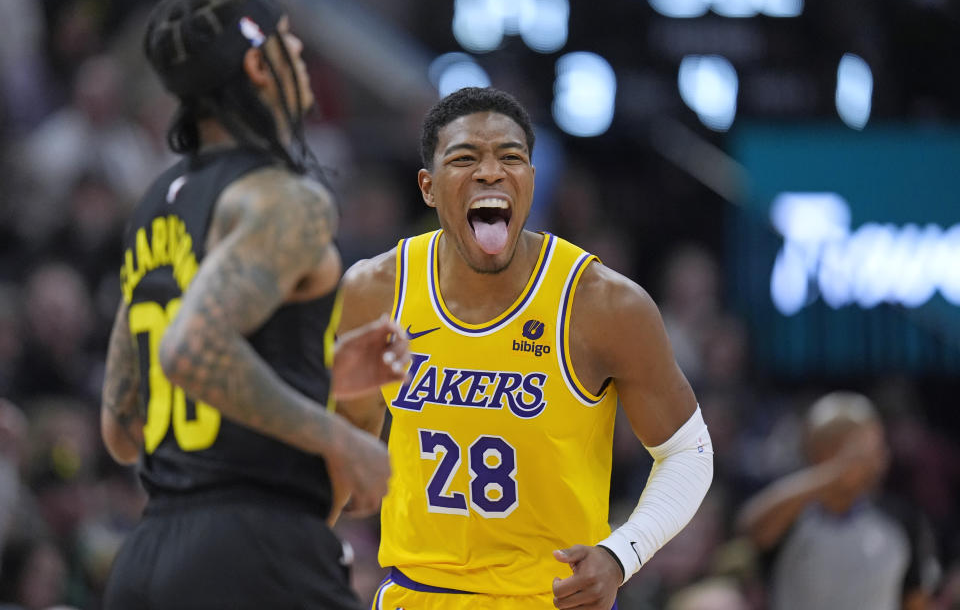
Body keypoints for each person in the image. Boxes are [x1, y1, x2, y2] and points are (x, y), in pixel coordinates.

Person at [334, 86, 714, 610]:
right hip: (417, 594)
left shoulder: (602, 303)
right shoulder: (376, 290)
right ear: (427, 186)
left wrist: (622, 552)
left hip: (550, 598)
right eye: (465, 158)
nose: (490, 172)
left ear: (531, 181)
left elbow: (688, 451)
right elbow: (344, 441)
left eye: (510, 157)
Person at [99, 0, 410, 609]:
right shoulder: (283, 200)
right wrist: (341, 438)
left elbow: (124, 427)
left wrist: (316, 377)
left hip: (148, 556)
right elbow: (190, 352)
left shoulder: (155, 207)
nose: (301, 56)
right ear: (257, 66)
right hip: (257, 554)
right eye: (289, 41)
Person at [736, 391, 940, 610]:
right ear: (819, 452)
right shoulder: (792, 516)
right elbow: (752, 531)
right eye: (864, 448)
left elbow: (916, 600)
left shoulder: (901, 520)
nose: (880, 456)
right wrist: (832, 475)